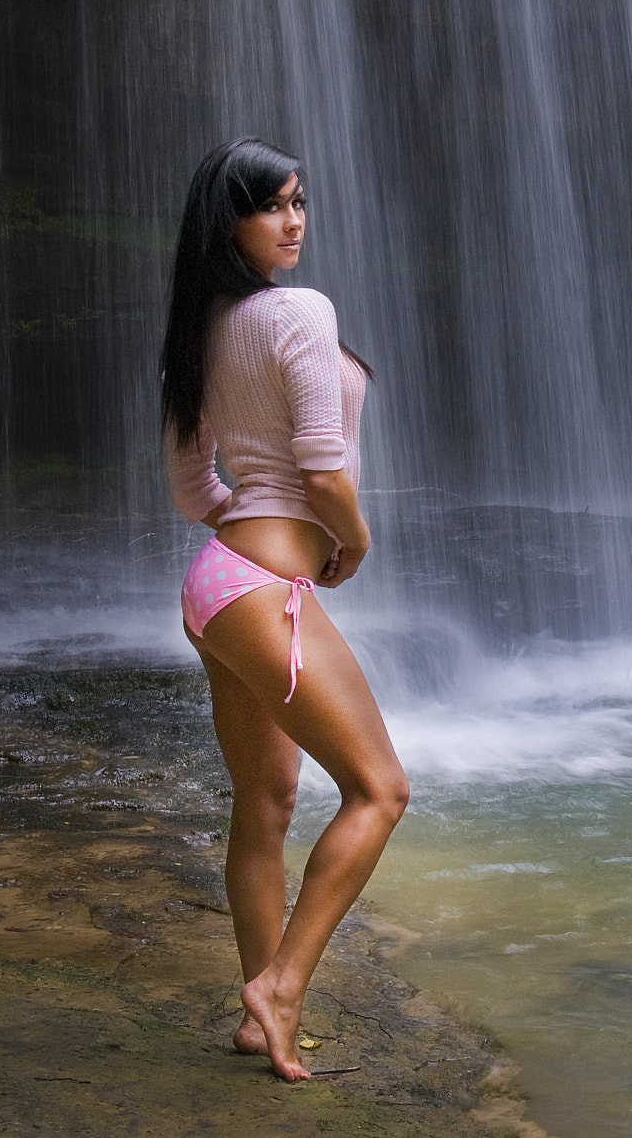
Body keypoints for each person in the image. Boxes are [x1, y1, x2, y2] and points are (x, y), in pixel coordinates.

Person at [160, 137, 408, 1082]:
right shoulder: (300, 310)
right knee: (381, 790)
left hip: (218, 583)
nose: (294, 220)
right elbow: (320, 465)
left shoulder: (202, 328)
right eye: (272, 206)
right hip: (265, 591)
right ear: (230, 224)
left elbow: (195, 484)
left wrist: (249, 529)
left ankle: (260, 1013)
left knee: (263, 804)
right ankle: (282, 986)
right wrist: (350, 539)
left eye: (300, 200)